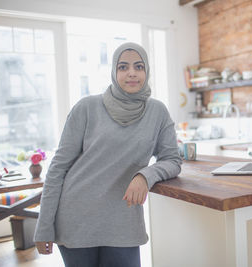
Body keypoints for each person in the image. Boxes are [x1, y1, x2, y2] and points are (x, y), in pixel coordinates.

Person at [33, 42, 182, 267]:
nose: (131, 72)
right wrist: (43, 226)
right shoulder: (87, 107)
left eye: (138, 66)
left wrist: (145, 175)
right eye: (123, 67)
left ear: (146, 71)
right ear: (114, 72)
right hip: (76, 220)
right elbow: (58, 168)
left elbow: (172, 159)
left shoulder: (157, 112)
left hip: (123, 221)